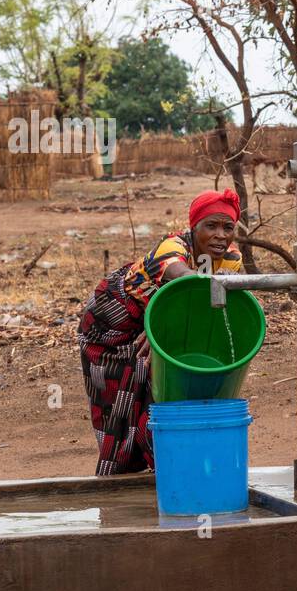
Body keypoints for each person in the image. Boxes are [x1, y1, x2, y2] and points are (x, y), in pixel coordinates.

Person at [77, 189, 243, 476]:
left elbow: (214, 308)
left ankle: (165, 471)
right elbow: (181, 277)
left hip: (157, 321)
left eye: (227, 227)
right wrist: (160, 330)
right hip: (110, 328)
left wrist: (161, 332)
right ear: (194, 228)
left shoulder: (230, 259)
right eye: (211, 226)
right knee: (119, 401)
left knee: (161, 396)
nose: (220, 235)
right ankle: (120, 475)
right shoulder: (173, 247)